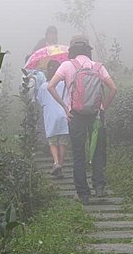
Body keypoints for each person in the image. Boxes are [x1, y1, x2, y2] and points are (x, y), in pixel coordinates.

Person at [48, 35, 117, 204]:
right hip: (96, 115)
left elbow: (50, 86)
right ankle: (99, 187)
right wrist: (103, 107)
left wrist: (65, 107)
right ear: (88, 50)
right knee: (97, 151)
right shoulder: (98, 66)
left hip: (75, 115)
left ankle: (83, 194)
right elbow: (113, 89)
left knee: (79, 155)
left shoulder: (66, 65)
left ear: (72, 50)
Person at [37, 60, 69, 176]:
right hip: (64, 115)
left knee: (52, 142)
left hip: (50, 117)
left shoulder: (44, 86)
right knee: (62, 143)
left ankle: (56, 163)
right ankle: (60, 164)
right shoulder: (65, 84)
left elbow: (40, 101)